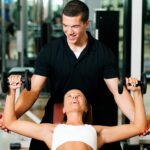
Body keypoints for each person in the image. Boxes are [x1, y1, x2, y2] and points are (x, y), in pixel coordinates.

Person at [0, 0, 149, 150]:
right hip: (59, 114)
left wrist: (137, 119)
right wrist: (13, 115)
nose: (69, 31)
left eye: (75, 26)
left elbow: (118, 92)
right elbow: (33, 90)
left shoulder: (103, 53)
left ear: (86, 24)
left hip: (96, 116)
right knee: (38, 146)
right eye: (65, 26)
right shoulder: (50, 51)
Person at [3, 76, 147, 150]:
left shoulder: (98, 132)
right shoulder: (50, 131)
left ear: (86, 108)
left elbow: (139, 127)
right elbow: (9, 122)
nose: (74, 97)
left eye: (78, 96)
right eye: (69, 96)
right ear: (63, 109)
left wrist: (137, 92)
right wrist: (11, 90)